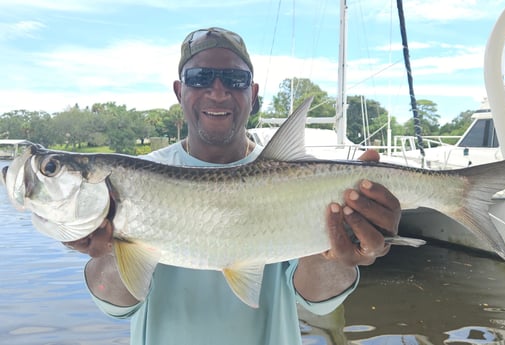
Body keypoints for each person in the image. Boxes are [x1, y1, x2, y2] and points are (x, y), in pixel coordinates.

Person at [64, 27, 401, 344]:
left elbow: (318, 301)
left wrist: (339, 252)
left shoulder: (305, 181)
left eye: (235, 79)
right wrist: (109, 250)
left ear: (252, 94)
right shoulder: (137, 176)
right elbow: (117, 303)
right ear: (179, 92)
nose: (218, 91)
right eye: (200, 78)